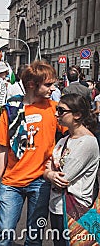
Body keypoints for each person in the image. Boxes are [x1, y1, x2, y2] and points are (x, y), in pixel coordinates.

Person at [0, 60, 67, 245]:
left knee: (34, 238)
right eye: (48, 84)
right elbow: (2, 149)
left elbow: (76, 133)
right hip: (11, 182)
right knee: (4, 235)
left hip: (41, 182)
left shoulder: (55, 109)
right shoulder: (11, 110)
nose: (53, 88)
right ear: (32, 84)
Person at [44, 93, 99, 246]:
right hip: (57, 206)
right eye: (57, 109)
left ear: (77, 115)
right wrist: (49, 173)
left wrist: (49, 172)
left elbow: (63, 178)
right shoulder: (63, 140)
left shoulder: (87, 143)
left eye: (61, 111)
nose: (56, 114)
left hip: (76, 209)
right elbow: (48, 169)